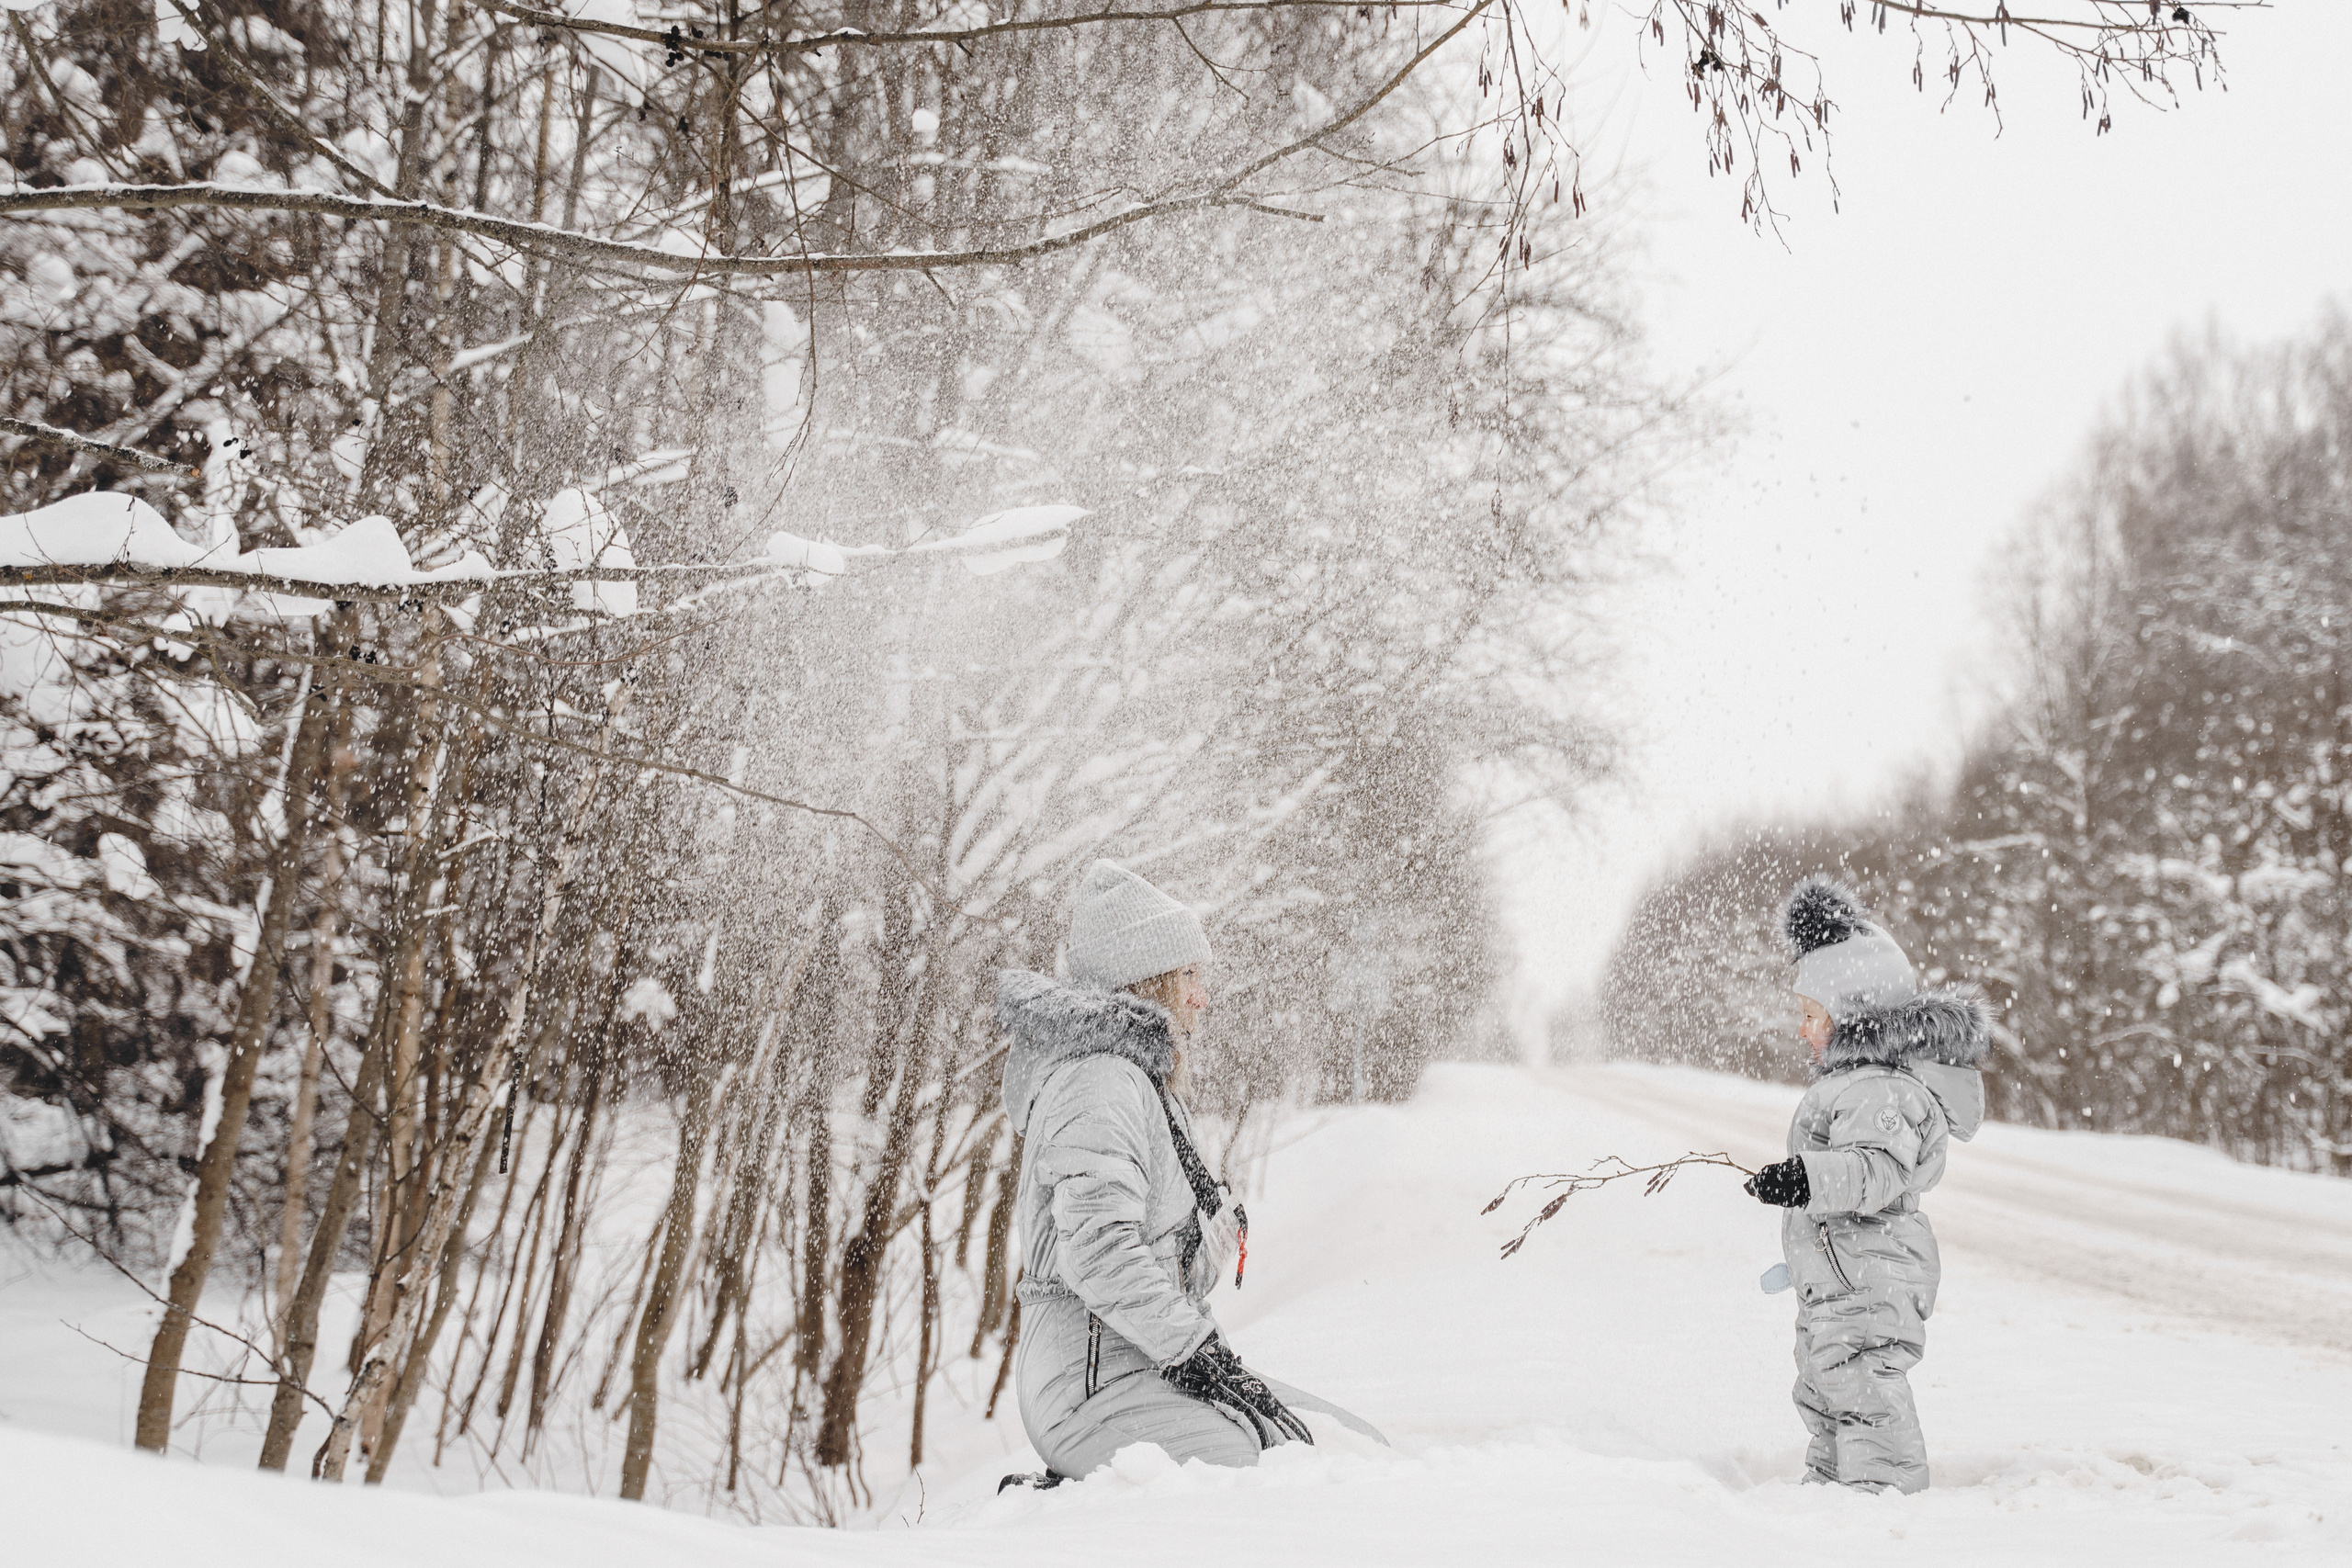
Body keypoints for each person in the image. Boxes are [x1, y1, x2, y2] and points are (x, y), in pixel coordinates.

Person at [996, 859, 1354, 1488]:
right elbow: (1099, 1255)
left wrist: (1210, 1240)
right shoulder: (1098, 1083)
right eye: (1189, 974)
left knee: (1340, 1445)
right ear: (1150, 979)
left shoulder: (1141, 1083)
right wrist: (1193, 1347)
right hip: (1087, 1388)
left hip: (1146, 1367)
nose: (1201, 995)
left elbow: (1153, 1264)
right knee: (1273, 1481)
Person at [1743, 874, 1988, 1495]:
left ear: (1851, 1011)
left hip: (1873, 1274)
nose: (1801, 1029)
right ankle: (1828, 1488)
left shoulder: (1883, 1088)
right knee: (1822, 1381)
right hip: (1839, 1275)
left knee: (1861, 1383)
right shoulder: (1852, 1083)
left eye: (1809, 1015)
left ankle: (1883, 1497)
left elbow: (1875, 1167)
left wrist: (1806, 1177)